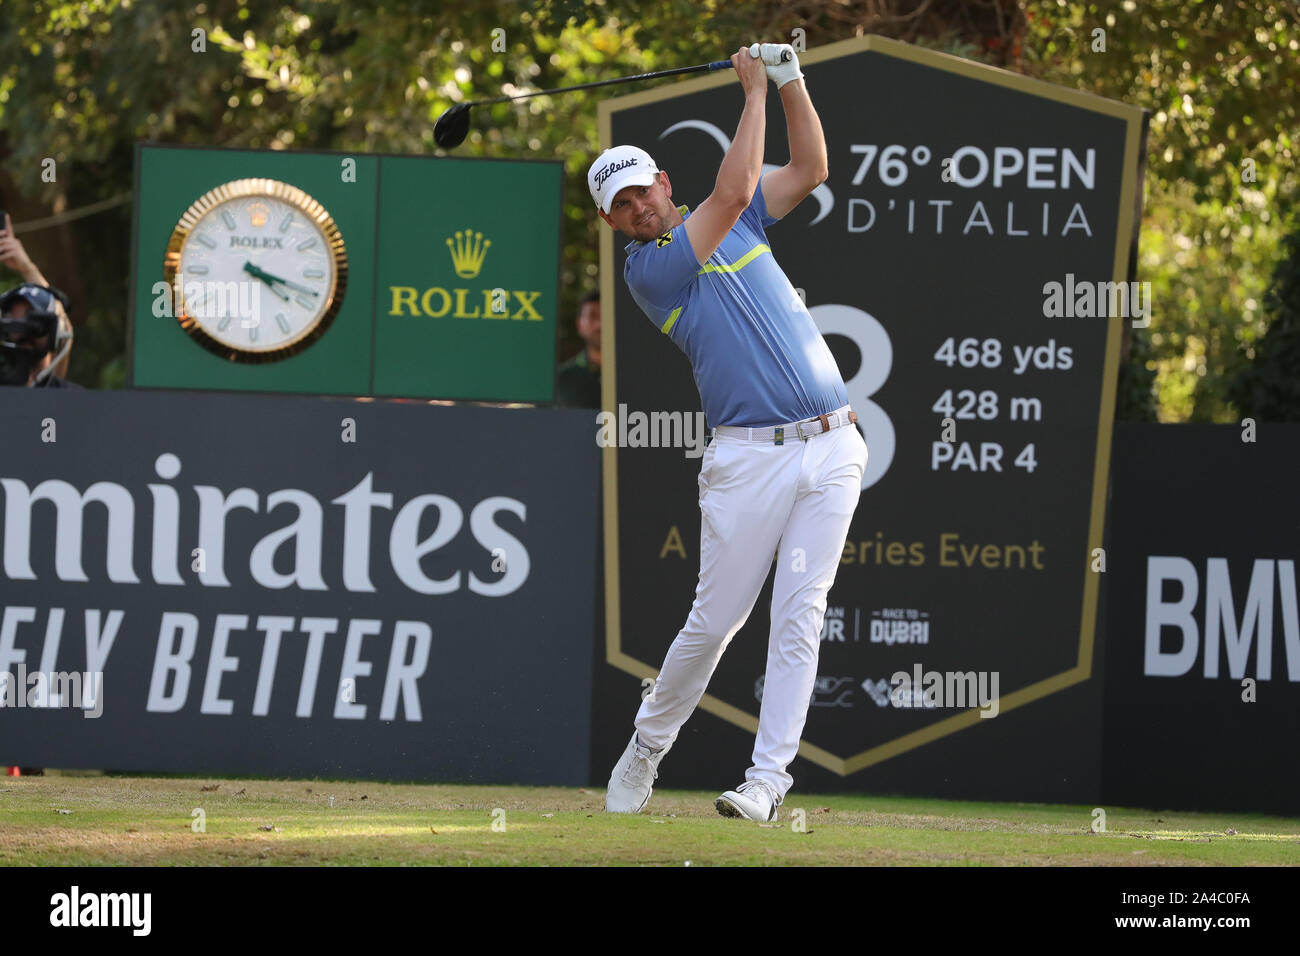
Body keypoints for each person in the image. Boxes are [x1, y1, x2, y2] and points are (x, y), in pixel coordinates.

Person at [590, 43, 868, 822]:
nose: (639, 209)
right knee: (715, 623)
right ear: (613, 224)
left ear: (661, 183)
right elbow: (738, 180)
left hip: (834, 442)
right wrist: (751, 91)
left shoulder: (740, 221)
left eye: (642, 192)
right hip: (750, 460)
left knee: (800, 616)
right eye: (623, 207)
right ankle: (648, 745)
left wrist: (789, 83)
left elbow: (809, 167)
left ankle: (767, 783)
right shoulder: (651, 271)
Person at [555, 290, 601, 408]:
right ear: (579, 325)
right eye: (593, 316)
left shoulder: (633, 374)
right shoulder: (560, 381)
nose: (599, 324)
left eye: (605, 316)